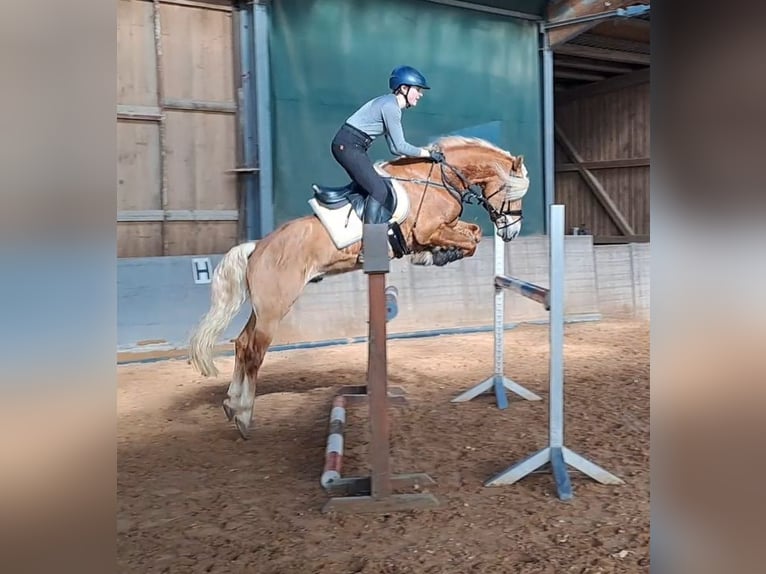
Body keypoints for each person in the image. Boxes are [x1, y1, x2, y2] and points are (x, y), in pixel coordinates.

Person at [315, 66, 445, 235]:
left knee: (373, 187)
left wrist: (422, 155)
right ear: (404, 88)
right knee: (379, 191)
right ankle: (372, 249)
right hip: (349, 146)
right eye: (418, 90)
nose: (420, 94)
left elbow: (394, 148)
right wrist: (428, 154)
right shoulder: (391, 108)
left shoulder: (388, 104)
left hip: (351, 145)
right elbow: (400, 146)